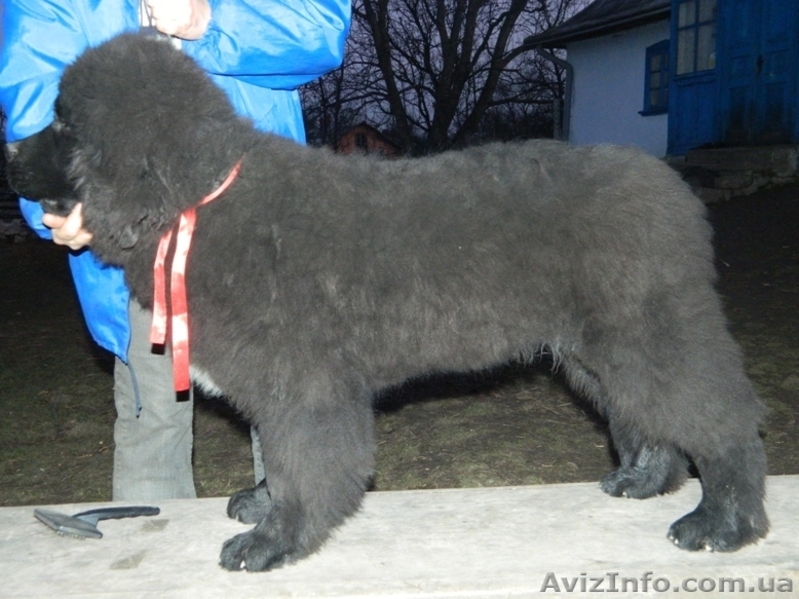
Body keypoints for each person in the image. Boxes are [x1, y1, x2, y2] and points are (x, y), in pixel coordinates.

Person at [0, 0, 350, 501]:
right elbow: (35, 75)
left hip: (261, 222)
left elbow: (320, 28)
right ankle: (152, 567)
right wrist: (63, 200)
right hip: (138, 236)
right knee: (153, 420)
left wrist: (207, 21)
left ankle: (299, 550)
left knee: (290, 405)